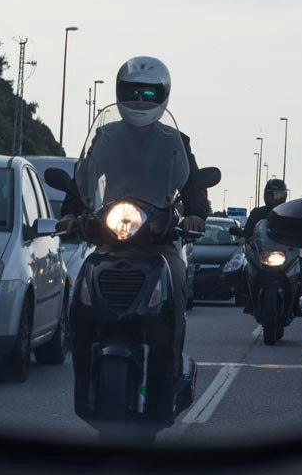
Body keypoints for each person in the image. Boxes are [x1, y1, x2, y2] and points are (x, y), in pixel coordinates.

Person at [57, 56, 210, 380]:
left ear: (163, 95)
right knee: (83, 280)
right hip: (108, 234)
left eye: (150, 94)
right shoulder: (106, 136)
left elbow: (192, 181)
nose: (141, 100)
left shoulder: (175, 141)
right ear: (120, 92)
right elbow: (83, 175)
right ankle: (82, 356)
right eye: (134, 92)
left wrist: (196, 214)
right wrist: (71, 213)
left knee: (178, 278)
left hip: (158, 234)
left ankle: (171, 362)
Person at [239, 177, 289, 313]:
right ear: (265, 195)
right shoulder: (257, 213)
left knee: (295, 274)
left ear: (284, 196)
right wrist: (243, 237)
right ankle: (249, 299)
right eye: (270, 194)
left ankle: (295, 301)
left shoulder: (288, 212)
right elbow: (248, 230)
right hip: (263, 252)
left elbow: (296, 230)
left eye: (278, 194)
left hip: (283, 251)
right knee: (249, 271)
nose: (274, 198)